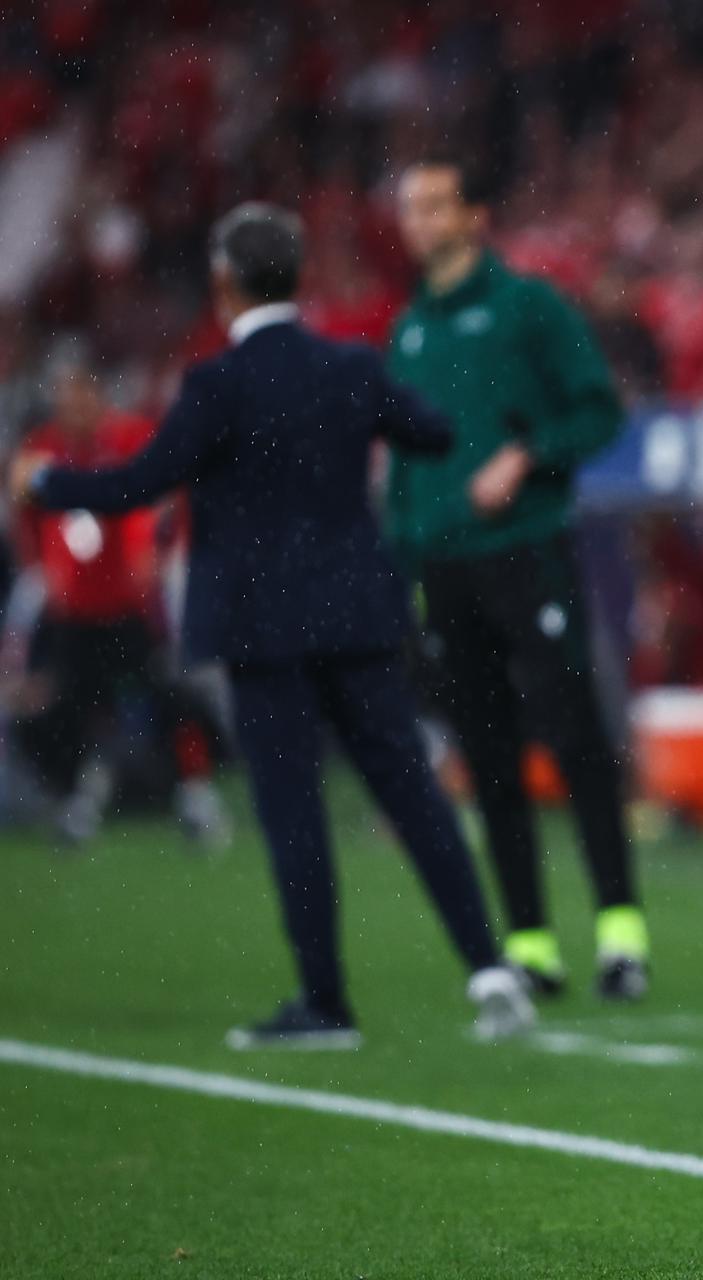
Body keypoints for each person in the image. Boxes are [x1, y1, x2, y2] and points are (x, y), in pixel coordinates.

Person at [13, 203, 534, 1050]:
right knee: (411, 792)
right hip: (357, 614)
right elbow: (434, 433)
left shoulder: (216, 384)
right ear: (296, 277)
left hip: (262, 627)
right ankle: (489, 967)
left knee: (295, 813)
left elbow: (137, 483)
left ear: (224, 283)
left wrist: (46, 485)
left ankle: (325, 1004)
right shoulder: (349, 366)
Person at [387, 155, 649, 1002]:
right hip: (446, 566)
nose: (420, 221)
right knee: (488, 756)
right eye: (410, 208)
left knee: (574, 737)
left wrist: (527, 454)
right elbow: (402, 463)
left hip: (526, 550)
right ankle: (530, 940)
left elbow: (598, 408)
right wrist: (400, 554)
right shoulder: (410, 328)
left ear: (476, 214)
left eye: (435, 204)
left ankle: (620, 930)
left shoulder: (529, 307)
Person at [11, 342, 229, 848]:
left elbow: (170, 497)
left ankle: (195, 796)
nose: (75, 405)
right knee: (75, 708)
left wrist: (157, 548)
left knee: (171, 696)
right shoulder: (43, 450)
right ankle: (81, 803)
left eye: (82, 392)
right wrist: (42, 566)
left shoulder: (130, 438)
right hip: (76, 610)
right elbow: (25, 515)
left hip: (135, 605)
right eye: (66, 395)